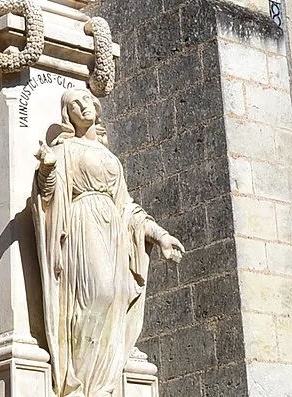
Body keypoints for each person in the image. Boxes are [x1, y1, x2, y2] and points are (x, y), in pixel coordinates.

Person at [32, 89, 183, 397]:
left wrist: (161, 236)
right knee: (96, 294)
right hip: (82, 224)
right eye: (75, 104)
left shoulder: (111, 158)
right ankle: (79, 385)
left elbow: (128, 208)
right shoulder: (65, 150)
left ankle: (103, 385)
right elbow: (48, 196)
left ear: (97, 109)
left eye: (87, 101)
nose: (83, 106)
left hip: (114, 230)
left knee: (115, 296)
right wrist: (47, 167)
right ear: (68, 115)